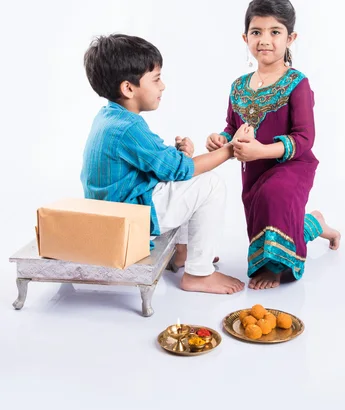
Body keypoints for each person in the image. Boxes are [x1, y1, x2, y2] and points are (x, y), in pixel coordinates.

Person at [81, 34, 245, 294]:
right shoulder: (128, 127)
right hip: (126, 220)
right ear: (128, 88)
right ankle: (198, 273)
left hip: (115, 210)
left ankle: (182, 253)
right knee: (210, 184)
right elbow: (179, 170)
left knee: (186, 182)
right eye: (156, 79)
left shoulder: (110, 117)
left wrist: (183, 156)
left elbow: (158, 163)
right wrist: (229, 150)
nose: (163, 86)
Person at [206, 0, 340, 289]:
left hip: (292, 164)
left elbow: (305, 137)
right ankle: (316, 223)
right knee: (269, 211)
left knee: (275, 195)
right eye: (257, 32)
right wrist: (221, 139)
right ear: (245, 37)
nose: (264, 40)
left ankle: (278, 268)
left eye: (274, 32)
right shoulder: (238, 86)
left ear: (290, 38)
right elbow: (233, 125)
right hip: (254, 168)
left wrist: (262, 151)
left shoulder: (297, 83)